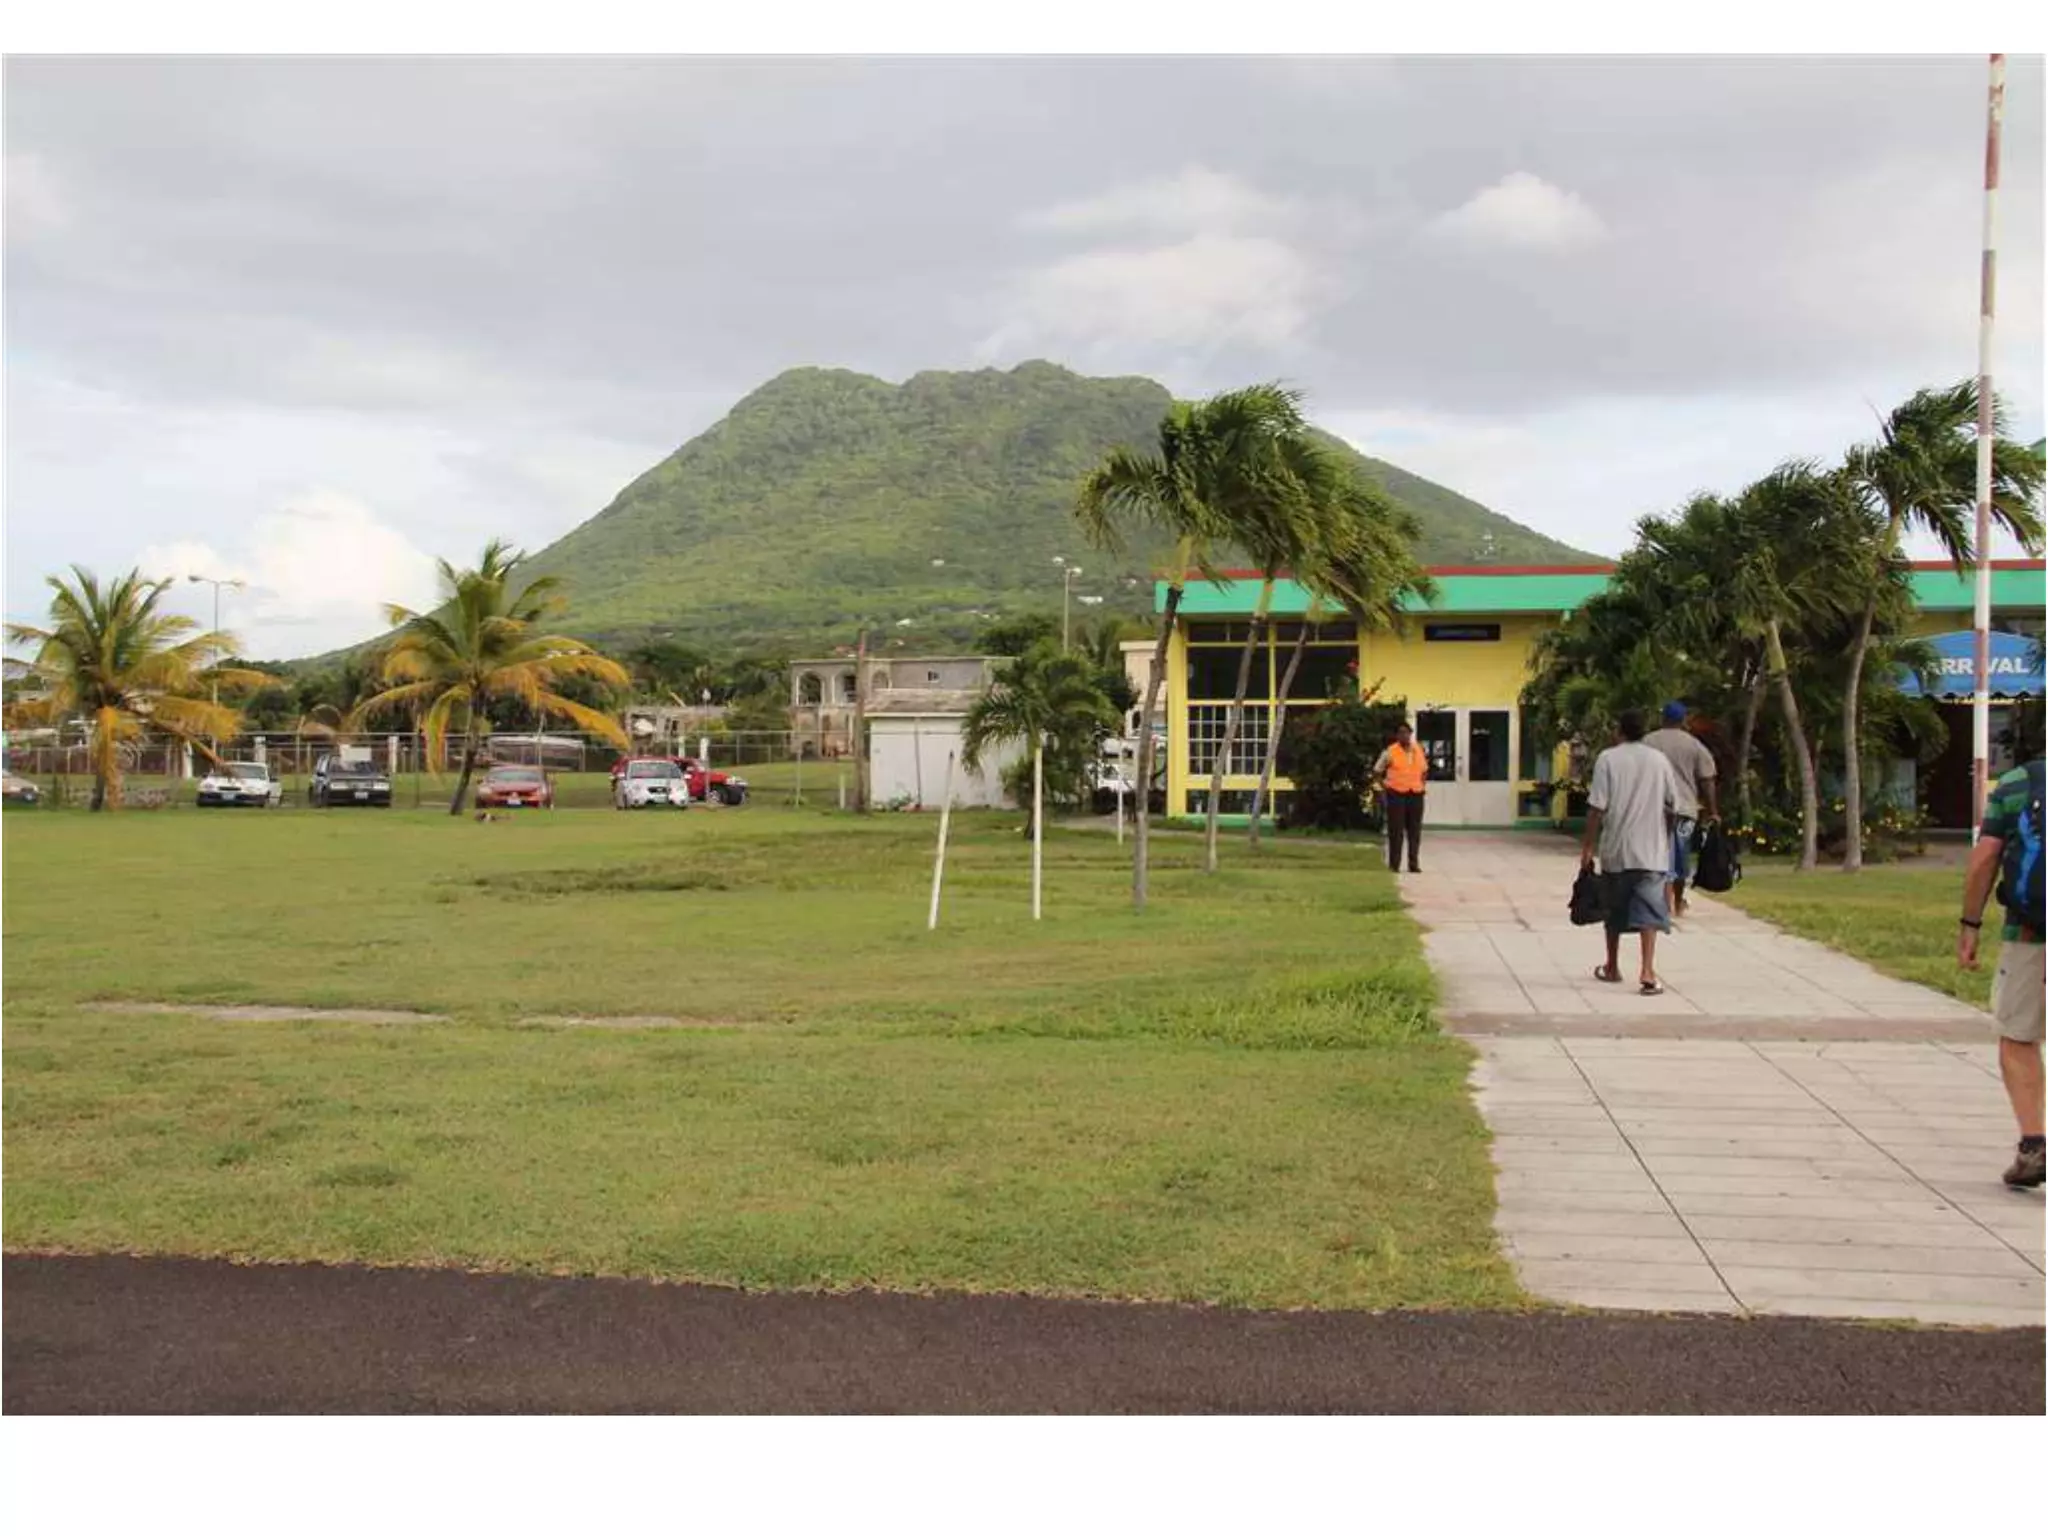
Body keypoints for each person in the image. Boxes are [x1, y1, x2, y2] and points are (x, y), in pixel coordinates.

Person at [1957, 747, 2046, 1190]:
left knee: (2018, 1036)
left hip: (2029, 933)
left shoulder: (2018, 783)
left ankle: (2034, 1143)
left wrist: (1970, 924)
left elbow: (1984, 858)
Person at [1579, 708, 1679, 995]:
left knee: (1614, 909)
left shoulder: (1608, 759)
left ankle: (1612, 965)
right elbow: (1673, 805)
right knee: (1649, 911)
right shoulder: (1659, 761)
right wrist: (1666, 835)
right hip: (1651, 852)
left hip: (1617, 849)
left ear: (1618, 730)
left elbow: (1597, 808)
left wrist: (1588, 846)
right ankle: (1647, 970)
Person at [1643, 701, 1720, 917]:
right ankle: (1677, 901)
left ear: (1663, 718)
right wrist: (1713, 810)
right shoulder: (1694, 745)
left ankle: (1655, 899)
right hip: (1685, 811)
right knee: (1680, 854)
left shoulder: (1649, 742)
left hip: (1653, 810)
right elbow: (1707, 779)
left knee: (1653, 854)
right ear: (1683, 720)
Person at [1373, 720, 1428, 874]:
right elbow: (1377, 771)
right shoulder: (1390, 751)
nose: (1404, 735)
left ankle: (1413, 864)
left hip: (1416, 794)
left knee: (1414, 831)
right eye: (1400, 733)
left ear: (1411, 734)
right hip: (1396, 794)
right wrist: (1383, 788)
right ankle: (1394, 864)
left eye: (1406, 732)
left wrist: (1422, 785)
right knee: (1396, 831)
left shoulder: (1418, 750)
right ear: (1397, 735)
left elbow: (1424, 770)